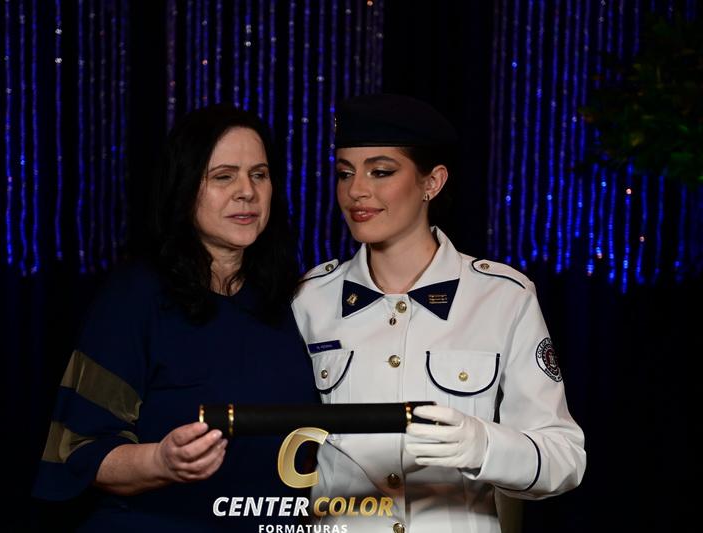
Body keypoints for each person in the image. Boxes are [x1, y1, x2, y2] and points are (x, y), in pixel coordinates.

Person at [292, 94, 586, 533]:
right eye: (345, 173)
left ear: (432, 182)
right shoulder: (309, 298)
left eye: (381, 171)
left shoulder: (503, 297)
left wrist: (483, 446)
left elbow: (565, 458)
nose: (356, 191)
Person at [32, 104, 319, 531]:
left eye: (259, 175)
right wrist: (161, 460)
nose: (247, 191)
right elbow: (78, 449)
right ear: (184, 187)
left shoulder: (294, 300)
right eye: (223, 176)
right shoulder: (135, 297)